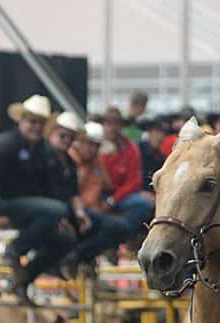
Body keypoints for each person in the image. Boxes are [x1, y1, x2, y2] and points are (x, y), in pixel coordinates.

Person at [0, 94, 75, 295]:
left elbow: (46, 185)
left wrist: (60, 216)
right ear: (21, 121)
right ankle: (15, 249)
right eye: (32, 122)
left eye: (41, 123)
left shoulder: (41, 149)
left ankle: (23, 279)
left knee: (65, 239)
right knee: (56, 210)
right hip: (4, 204)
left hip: (30, 208)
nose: (37, 127)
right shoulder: (5, 144)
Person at [45, 113, 130, 276]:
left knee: (121, 228)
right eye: (89, 144)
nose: (92, 149)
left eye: (96, 146)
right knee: (118, 226)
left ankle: (77, 256)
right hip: (73, 213)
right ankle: (75, 257)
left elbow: (108, 184)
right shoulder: (70, 161)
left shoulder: (83, 163)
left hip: (86, 212)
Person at [99, 106, 155, 235]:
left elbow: (134, 181)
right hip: (97, 193)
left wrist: (113, 200)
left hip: (120, 196)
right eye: (108, 123)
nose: (112, 128)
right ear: (103, 125)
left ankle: (122, 236)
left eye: (116, 124)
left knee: (143, 204)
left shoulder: (130, 148)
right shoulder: (94, 145)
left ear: (122, 126)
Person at [138, 116, 171, 192]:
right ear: (149, 132)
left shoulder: (161, 158)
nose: (160, 136)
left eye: (163, 133)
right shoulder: (137, 150)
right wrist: (140, 191)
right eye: (157, 131)